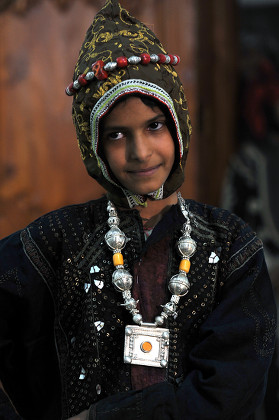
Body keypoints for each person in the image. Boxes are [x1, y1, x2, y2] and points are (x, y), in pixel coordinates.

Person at [0, 1, 276, 419]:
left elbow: (230, 390)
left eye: (154, 125)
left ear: (179, 123)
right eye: (116, 135)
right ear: (94, 147)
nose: (140, 152)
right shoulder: (56, 240)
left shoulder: (232, 245)